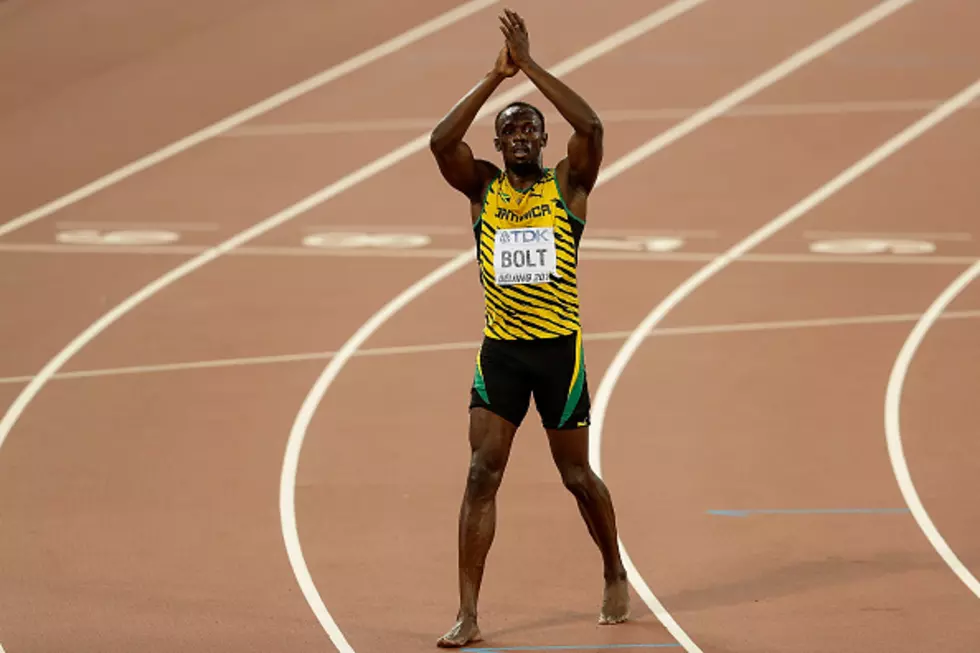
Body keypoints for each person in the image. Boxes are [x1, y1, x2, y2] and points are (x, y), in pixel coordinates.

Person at [427, 8, 630, 649]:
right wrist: (496, 76)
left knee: (575, 476)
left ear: (543, 142)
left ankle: (613, 566)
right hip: (502, 357)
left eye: (529, 128)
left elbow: (593, 125)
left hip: (558, 357)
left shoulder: (568, 184)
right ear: (497, 143)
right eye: (509, 128)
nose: (519, 134)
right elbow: (439, 143)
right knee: (481, 474)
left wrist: (531, 68)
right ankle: (467, 613)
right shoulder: (481, 188)